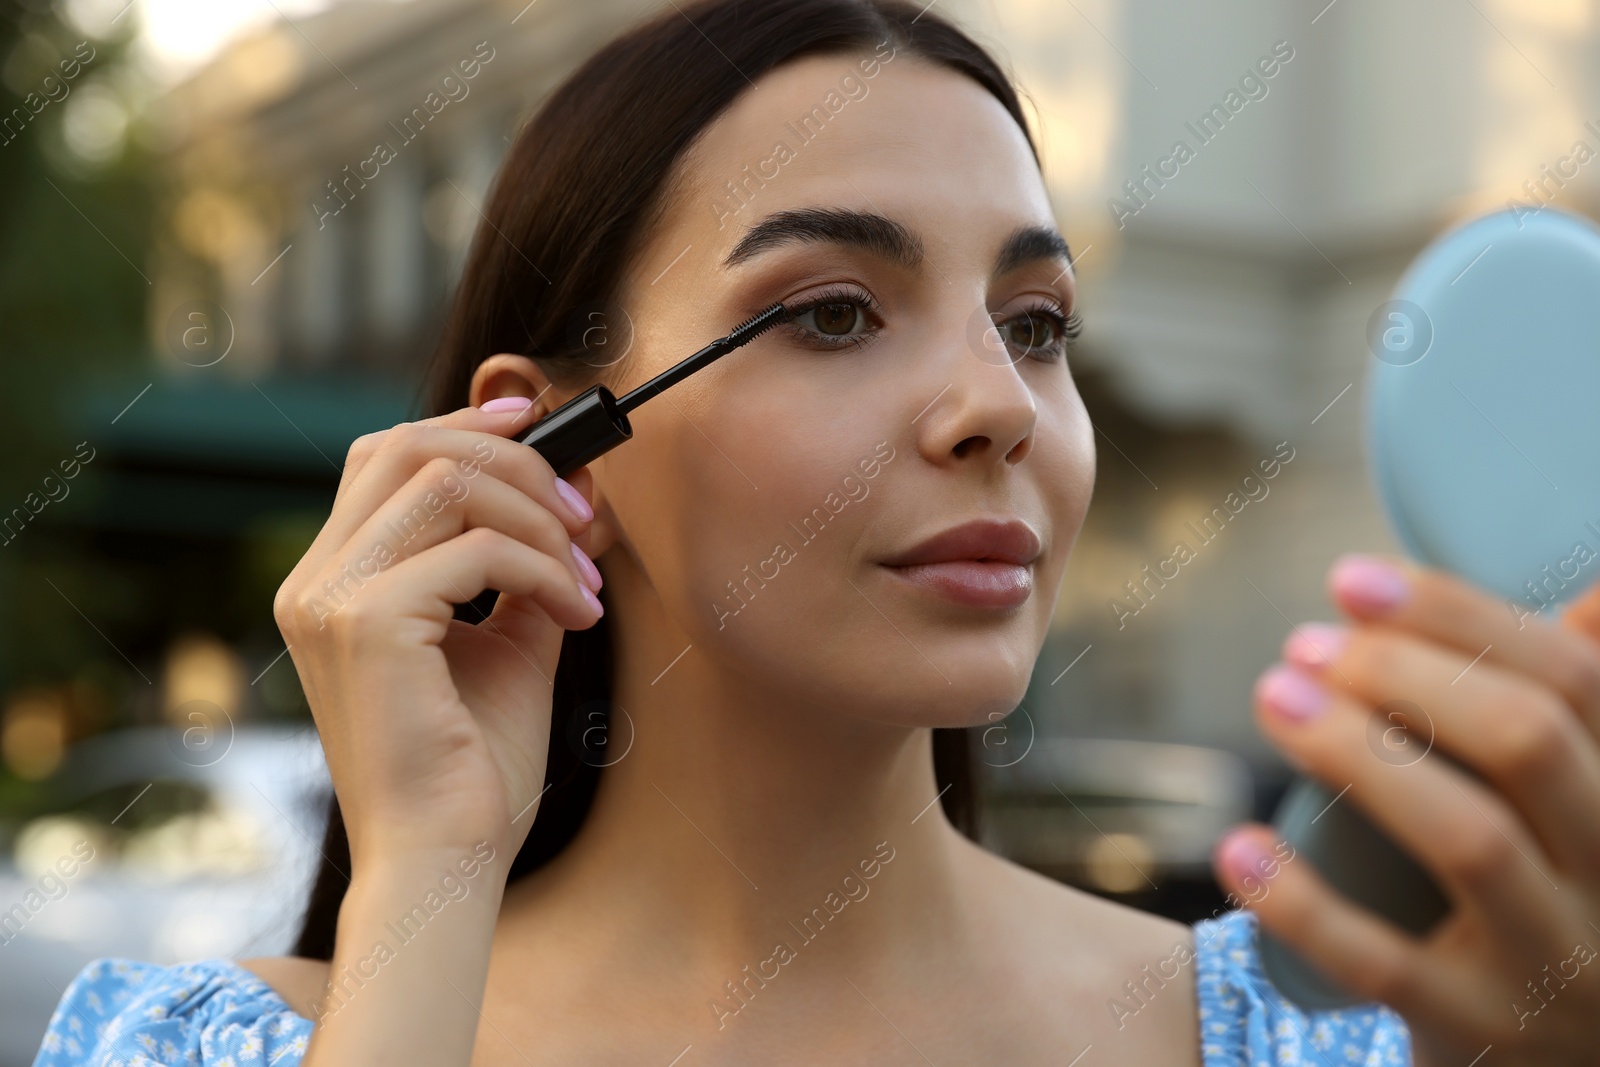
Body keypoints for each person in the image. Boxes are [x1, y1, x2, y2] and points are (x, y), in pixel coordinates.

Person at [33, 1, 1600, 1064]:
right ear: (539, 449)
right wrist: (426, 890)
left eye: (1038, 323)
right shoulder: (199, 1039)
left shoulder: (1363, 1029)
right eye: (836, 312)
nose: (996, 405)